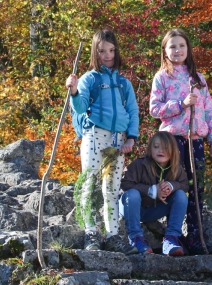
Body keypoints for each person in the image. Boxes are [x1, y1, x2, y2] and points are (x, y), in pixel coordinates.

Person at [66, 29, 139, 254]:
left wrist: (131, 137)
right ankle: (91, 233)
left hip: (118, 140)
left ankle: (112, 236)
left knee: (112, 188)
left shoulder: (124, 83)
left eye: (111, 50)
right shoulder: (89, 78)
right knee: (90, 184)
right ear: (94, 52)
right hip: (94, 137)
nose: (107, 55)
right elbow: (79, 107)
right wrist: (75, 90)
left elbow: (133, 111)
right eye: (102, 51)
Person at [149, 28, 212, 254]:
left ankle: (195, 236)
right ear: (165, 51)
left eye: (181, 46)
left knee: (196, 188)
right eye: (172, 46)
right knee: (174, 187)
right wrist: (180, 104)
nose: (177, 50)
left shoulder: (198, 78)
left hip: (196, 140)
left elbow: (209, 109)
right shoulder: (162, 77)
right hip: (172, 140)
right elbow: (154, 109)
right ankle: (172, 236)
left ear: (188, 49)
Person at [119, 131, 189, 256]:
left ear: (173, 150)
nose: (160, 151)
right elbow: (125, 185)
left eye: (165, 147)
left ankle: (171, 239)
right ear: (150, 149)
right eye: (156, 147)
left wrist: (172, 186)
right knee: (133, 194)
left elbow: (185, 185)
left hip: (154, 210)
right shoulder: (139, 165)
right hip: (131, 207)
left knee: (180, 195)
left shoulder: (176, 168)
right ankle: (136, 239)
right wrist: (152, 190)